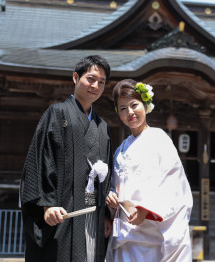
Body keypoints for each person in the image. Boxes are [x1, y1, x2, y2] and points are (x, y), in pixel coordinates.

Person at [20, 55, 113, 262]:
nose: (96, 86)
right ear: (75, 78)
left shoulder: (103, 127)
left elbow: (107, 170)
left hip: (92, 212)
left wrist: (106, 214)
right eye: (91, 79)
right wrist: (47, 204)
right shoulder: (57, 113)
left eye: (102, 82)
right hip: (62, 209)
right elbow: (42, 159)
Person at [106, 79, 193, 262]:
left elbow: (173, 183)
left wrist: (146, 210)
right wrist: (111, 194)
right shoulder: (121, 149)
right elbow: (117, 184)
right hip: (125, 231)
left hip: (153, 232)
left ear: (145, 105)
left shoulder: (159, 138)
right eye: (122, 108)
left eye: (134, 105)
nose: (130, 112)